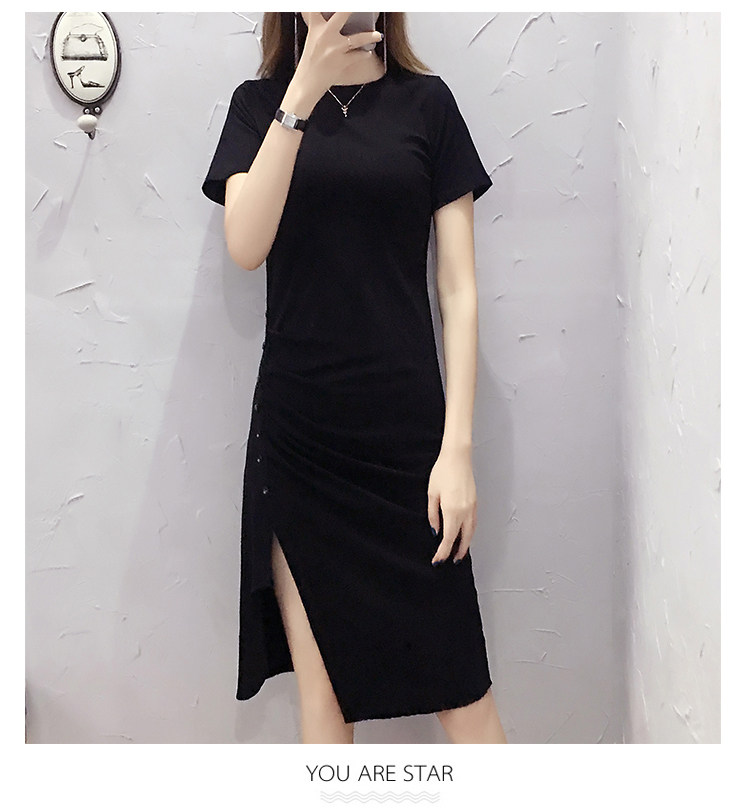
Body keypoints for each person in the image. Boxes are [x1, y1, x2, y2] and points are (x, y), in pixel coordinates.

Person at [201, 11, 507, 744]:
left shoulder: (427, 104)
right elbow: (245, 243)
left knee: (465, 696)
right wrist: (300, 93)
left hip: (409, 443)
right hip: (301, 441)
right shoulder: (258, 105)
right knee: (324, 697)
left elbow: (459, 289)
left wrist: (457, 449)